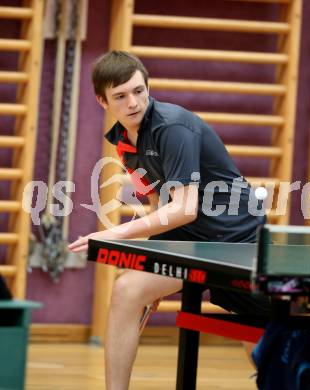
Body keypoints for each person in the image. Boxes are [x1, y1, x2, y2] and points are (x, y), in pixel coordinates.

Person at [68, 50, 269, 390]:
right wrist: (158, 255)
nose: (133, 102)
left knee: (263, 345)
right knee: (127, 289)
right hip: (193, 241)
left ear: (147, 87)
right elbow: (156, 203)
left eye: (138, 90)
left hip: (236, 242)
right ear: (103, 101)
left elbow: (183, 208)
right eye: (120, 96)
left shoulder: (172, 127)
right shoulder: (124, 141)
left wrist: (114, 234)